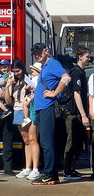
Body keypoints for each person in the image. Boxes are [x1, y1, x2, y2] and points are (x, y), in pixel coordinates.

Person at [30, 42, 70, 185]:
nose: (37, 54)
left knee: (47, 142)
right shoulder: (45, 66)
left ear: (46, 51)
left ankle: (48, 174)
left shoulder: (52, 63)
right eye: (35, 53)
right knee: (45, 141)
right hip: (41, 108)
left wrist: (55, 92)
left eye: (39, 51)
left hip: (48, 107)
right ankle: (52, 175)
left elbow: (66, 77)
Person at [4, 59, 40, 180]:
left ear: (22, 69)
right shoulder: (13, 82)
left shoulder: (30, 79)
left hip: (30, 110)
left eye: (18, 71)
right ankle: (28, 167)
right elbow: (8, 101)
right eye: (14, 71)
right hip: (18, 110)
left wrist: (31, 89)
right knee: (26, 141)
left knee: (33, 139)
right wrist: (8, 84)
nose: (17, 73)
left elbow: (37, 92)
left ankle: (36, 168)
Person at [63, 46, 90, 180]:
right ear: (80, 57)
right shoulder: (76, 72)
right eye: (87, 56)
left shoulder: (81, 72)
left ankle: (71, 169)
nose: (89, 59)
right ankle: (67, 171)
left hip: (78, 112)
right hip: (73, 113)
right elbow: (76, 94)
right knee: (72, 141)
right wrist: (83, 114)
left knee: (78, 142)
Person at [21, 62, 42, 127]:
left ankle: (26, 118)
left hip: (33, 95)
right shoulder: (40, 79)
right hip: (36, 95)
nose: (32, 73)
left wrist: (25, 87)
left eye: (33, 72)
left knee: (24, 105)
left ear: (38, 72)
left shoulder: (35, 78)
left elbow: (29, 86)